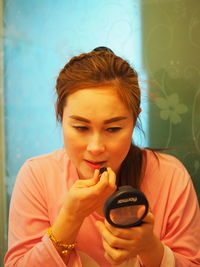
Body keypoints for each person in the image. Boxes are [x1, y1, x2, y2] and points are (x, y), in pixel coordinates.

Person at [4, 47, 200, 267]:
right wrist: (70, 218)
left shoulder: (170, 177)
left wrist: (150, 248)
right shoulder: (37, 176)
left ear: (134, 120)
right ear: (61, 117)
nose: (96, 147)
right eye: (80, 127)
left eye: (113, 128)